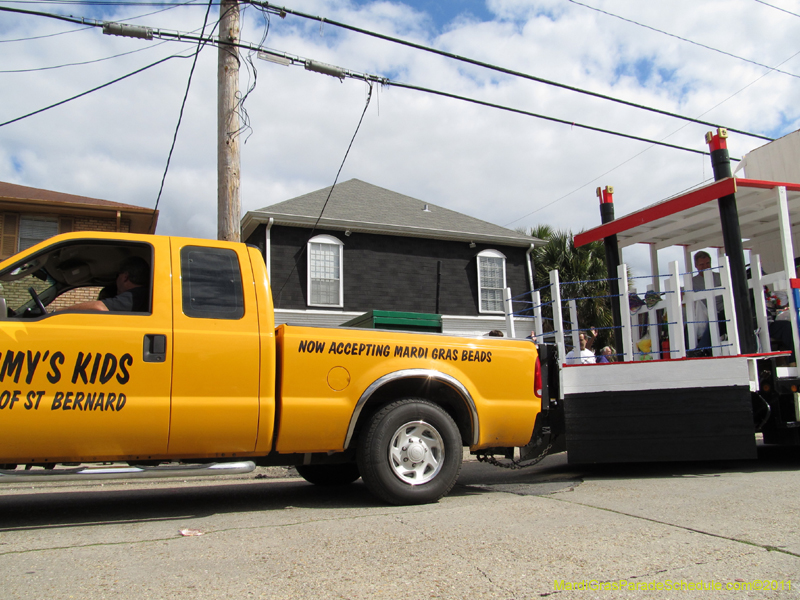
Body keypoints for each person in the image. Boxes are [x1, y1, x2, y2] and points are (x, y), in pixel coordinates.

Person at [59, 256, 150, 313]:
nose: (116, 280)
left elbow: (99, 307)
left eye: (117, 275)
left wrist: (59, 312)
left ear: (125, 277)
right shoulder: (143, 296)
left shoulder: (135, 296)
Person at [691, 251, 723, 352]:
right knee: (687, 328)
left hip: (722, 312)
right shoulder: (692, 282)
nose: (705, 266)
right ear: (696, 266)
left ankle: (700, 351)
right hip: (704, 315)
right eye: (702, 264)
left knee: (716, 320)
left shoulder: (720, 277)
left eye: (707, 263)